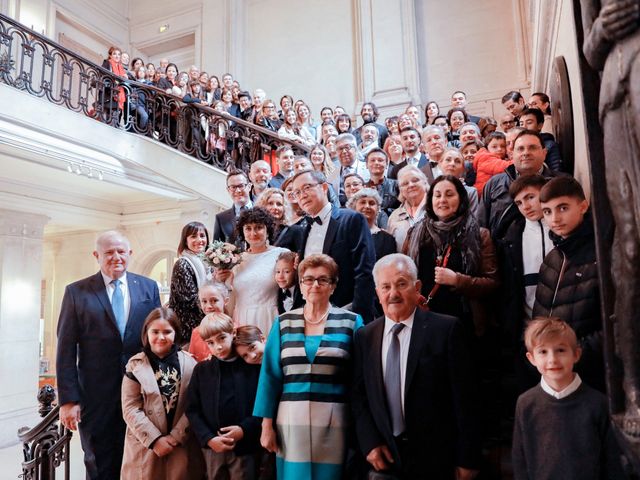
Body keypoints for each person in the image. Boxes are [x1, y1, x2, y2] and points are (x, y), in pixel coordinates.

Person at [351, 254, 481, 479]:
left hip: (437, 458)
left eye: (401, 284)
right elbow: (359, 396)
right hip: (385, 458)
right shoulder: (365, 336)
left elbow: (466, 399)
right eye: (386, 286)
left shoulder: (446, 330)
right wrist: (369, 442)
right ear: (377, 292)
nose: (393, 294)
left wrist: (467, 458)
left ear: (417, 286)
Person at [56, 231, 161, 479]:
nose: (116, 257)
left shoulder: (148, 287)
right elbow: (66, 349)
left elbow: (156, 338)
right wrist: (68, 400)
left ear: (129, 254)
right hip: (96, 395)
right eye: (109, 252)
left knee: (139, 460)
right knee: (99, 460)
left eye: (121, 251)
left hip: (140, 393)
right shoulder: (76, 292)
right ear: (97, 255)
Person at [254, 254, 364, 479]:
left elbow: (359, 380)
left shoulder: (352, 322)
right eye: (308, 279)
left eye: (323, 280)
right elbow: (270, 377)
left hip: (335, 424)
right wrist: (266, 426)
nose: (315, 284)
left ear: (333, 286)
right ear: (301, 286)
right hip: (290, 424)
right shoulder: (283, 323)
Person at [512, 318, 624, 479]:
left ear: (576, 354)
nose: (552, 359)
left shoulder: (598, 404)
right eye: (543, 351)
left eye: (560, 350)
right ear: (531, 358)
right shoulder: (525, 404)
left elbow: (613, 463)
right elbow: (520, 461)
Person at [533, 176, 604, 392]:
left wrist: (573, 353)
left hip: (593, 373)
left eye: (562, 208)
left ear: (583, 206)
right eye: (547, 211)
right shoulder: (552, 258)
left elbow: (616, 323)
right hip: (553, 373)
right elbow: (540, 317)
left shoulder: (602, 255)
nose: (554, 218)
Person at [404, 175, 499, 335]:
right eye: (437, 195)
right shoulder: (415, 233)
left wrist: (457, 280)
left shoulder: (479, 235)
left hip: (464, 323)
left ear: (461, 199)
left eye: (449, 194)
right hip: (423, 320)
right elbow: (404, 276)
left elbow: (492, 283)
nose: (442, 200)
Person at [120, 307, 203, 480]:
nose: (161, 337)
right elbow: (130, 409)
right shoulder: (135, 365)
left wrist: (175, 437)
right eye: (155, 331)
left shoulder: (191, 363)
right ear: (146, 333)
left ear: (176, 333)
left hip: (180, 444)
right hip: (145, 445)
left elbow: (194, 404)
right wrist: (155, 440)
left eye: (167, 331)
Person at [293, 169, 376, 323]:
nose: (302, 195)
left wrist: (358, 317)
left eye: (307, 188)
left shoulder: (352, 219)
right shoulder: (305, 229)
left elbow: (365, 270)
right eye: (297, 192)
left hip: (346, 313)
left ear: (324, 188)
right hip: (311, 316)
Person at [186, 313, 262, 480]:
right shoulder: (202, 370)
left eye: (221, 338)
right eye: (211, 343)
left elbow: (262, 406)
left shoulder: (251, 367)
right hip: (213, 448)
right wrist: (209, 438)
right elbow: (192, 409)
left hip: (245, 447)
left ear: (232, 333)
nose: (218, 347)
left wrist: (244, 430)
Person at [496, 175, 553, 393]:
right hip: (527, 329)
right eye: (519, 202)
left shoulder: (559, 228)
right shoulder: (513, 235)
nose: (526, 206)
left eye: (531, 197)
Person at [217, 207, 289, 335]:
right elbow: (230, 296)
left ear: (268, 230)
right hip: (241, 318)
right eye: (248, 228)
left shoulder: (281, 254)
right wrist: (222, 281)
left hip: (269, 316)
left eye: (258, 227)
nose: (253, 233)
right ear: (242, 232)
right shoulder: (235, 259)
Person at [479, 130, 560, 238]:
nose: (526, 153)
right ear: (511, 154)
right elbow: (481, 226)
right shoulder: (494, 183)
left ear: (544, 153)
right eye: (520, 149)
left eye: (532, 147)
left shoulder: (560, 182)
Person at [169, 221, 211, 345]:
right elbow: (191, 300)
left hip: (205, 324)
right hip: (188, 329)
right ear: (185, 240)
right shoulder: (182, 264)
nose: (199, 240)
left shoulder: (209, 263)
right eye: (193, 236)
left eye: (202, 236)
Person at [348, 188, 396, 261]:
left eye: (371, 203)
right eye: (363, 202)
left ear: (378, 209)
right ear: (354, 207)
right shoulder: (344, 234)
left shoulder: (387, 239)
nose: (367, 206)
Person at [387, 165, 428, 250]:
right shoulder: (394, 216)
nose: (411, 185)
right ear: (401, 190)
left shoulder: (437, 208)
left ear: (425, 182)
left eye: (415, 180)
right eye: (405, 183)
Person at [188, 282, 230, 363]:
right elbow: (192, 360)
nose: (209, 306)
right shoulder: (196, 332)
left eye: (214, 300)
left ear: (225, 301)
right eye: (204, 301)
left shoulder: (234, 329)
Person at [213, 169, 253, 245]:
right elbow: (216, 246)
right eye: (233, 187)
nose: (238, 190)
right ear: (228, 190)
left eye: (241, 186)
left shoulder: (262, 211)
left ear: (249, 186)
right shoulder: (221, 218)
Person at [518, 107, 564, 172]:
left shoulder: (549, 145)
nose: (524, 127)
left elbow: (556, 172)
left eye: (529, 123)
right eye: (521, 124)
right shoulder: (516, 145)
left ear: (540, 125)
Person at [440, 148, 479, 217]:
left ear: (463, 169)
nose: (452, 164)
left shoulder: (470, 192)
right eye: (448, 160)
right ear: (440, 163)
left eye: (457, 161)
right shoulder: (431, 190)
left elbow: (473, 221)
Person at [473, 132, 512, 197]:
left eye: (502, 146)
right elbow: (505, 167)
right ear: (487, 148)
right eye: (494, 147)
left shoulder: (502, 159)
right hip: (483, 194)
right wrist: (517, 159)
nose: (499, 149)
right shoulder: (485, 158)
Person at [364, 148, 400, 217]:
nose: (376, 163)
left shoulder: (396, 185)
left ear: (387, 164)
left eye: (380, 160)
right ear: (366, 165)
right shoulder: (363, 188)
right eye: (372, 160)